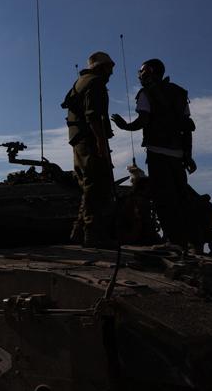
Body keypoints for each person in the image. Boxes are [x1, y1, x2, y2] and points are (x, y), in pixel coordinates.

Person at [111, 59, 196, 248]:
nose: (139, 75)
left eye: (140, 71)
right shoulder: (180, 93)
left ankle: (172, 242)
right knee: (181, 198)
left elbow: (143, 121)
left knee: (164, 199)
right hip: (178, 154)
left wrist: (125, 126)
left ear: (149, 71)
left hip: (158, 152)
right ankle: (187, 240)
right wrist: (188, 155)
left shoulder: (146, 93)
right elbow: (187, 127)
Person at [61, 51, 117, 248]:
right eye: (110, 67)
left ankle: (79, 231)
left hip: (79, 139)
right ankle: (93, 234)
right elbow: (93, 115)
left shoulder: (81, 81)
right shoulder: (95, 83)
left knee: (88, 184)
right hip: (90, 139)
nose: (111, 72)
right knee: (97, 184)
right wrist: (101, 142)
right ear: (101, 67)